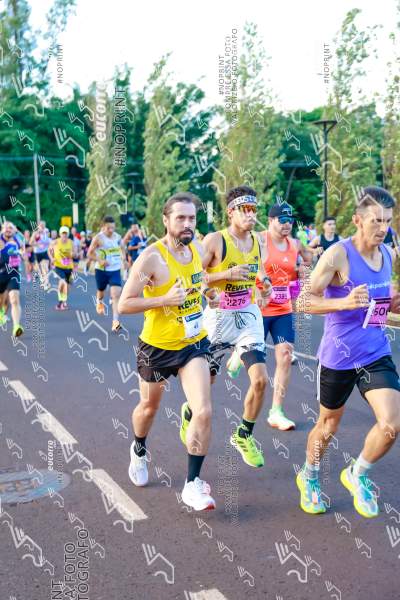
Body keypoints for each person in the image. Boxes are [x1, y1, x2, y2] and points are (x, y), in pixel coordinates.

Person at [297, 186, 400, 517]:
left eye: (388, 221)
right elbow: (303, 301)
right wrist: (343, 302)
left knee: (391, 424)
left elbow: (379, 304)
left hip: (375, 351)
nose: (382, 228)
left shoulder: (388, 255)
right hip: (338, 356)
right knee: (328, 426)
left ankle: (357, 473)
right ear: (357, 220)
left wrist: (392, 304)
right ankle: (309, 475)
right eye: (375, 221)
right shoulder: (338, 255)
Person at [118, 192, 216, 511]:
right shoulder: (151, 258)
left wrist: (208, 293)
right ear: (166, 220)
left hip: (192, 342)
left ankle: (192, 484)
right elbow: (125, 304)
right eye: (180, 218)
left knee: (204, 410)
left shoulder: (197, 248)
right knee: (149, 408)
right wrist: (163, 300)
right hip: (157, 348)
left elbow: (198, 281)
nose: (187, 224)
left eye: (192, 218)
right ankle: (139, 449)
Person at [185, 186, 272, 469]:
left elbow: (259, 271)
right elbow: (193, 276)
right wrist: (226, 274)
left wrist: (265, 285)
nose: (251, 215)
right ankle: (189, 411)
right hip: (218, 319)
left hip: (247, 316)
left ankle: (243, 435)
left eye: (254, 210)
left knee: (260, 380)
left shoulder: (258, 240)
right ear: (231, 212)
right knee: (206, 383)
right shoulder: (215, 240)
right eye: (246, 210)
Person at [257, 202, 312, 430]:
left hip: (282, 310)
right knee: (254, 366)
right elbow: (248, 265)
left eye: (290, 220)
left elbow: (307, 261)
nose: (287, 224)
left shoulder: (295, 244)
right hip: (258, 309)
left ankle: (276, 411)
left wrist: (303, 269)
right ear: (270, 220)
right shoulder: (259, 240)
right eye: (282, 220)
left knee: (285, 356)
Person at [87, 216, 127, 332]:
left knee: (116, 294)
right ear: (103, 227)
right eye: (109, 228)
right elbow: (89, 254)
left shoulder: (118, 237)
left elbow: (123, 248)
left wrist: (124, 259)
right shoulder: (98, 238)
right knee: (101, 290)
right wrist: (100, 260)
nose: (111, 230)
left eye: (113, 228)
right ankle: (99, 301)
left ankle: (115, 322)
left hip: (115, 269)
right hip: (101, 270)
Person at [0, 221, 24, 336]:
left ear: (14, 230)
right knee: (2, 301)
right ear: (2, 229)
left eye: (11, 228)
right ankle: (1, 314)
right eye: (6, 227)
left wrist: (22, 255)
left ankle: (16, 326)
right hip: (1, 274)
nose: (8, 229)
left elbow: (23, 252)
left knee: (14, 299)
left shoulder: (18, 241)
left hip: (13, 273)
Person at [48, 226, 76, 310]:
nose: (64, 235)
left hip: (69, 267)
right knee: (62, 282)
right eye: (63, 233)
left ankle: (62, 301)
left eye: (66, 233)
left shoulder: (71, 242)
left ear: (68, 234)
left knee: (67, 286)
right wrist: (51, 258)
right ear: (60, 234)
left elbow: (75, 253)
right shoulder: (55, 242)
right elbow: (49, 250)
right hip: (59, 266)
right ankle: (61, 302)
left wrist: (73, 254)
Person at [30, 221, 51, 290]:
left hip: (45, 252)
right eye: (41, 225)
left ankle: (46, 283)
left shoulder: (47, 232)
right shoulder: (35, 233)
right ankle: (41, 278)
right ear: (38, 226)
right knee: (39, 270)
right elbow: (31, 242)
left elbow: (49, 241)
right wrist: (38, 245)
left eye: (43, 225)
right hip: (37, 253)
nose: (42, 227)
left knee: (45, 268)